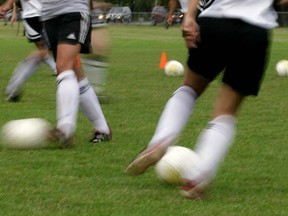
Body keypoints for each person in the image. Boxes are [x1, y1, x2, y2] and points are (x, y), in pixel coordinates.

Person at [126, 0, 288, 199]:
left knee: (190, 89)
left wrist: (190, 17)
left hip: (214, 23)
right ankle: (198, 177)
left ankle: (160, 141)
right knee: (225, 111)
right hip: (253, 31)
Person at [0, 0, 112, 147]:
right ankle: (102, 129)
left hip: (74, 11)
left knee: (63, 67)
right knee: (75, 73)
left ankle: (65, 130)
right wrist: (9, 5)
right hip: (48, 16)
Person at [4, 0, 57, 102]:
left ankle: (14, 85)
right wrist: (8, 6)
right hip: (41, 14)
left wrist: (8, 6)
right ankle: (15, 84)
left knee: (43, 51)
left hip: (33, 16)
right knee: (45, 51)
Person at [81, 0, 112, 103]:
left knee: (100, 51)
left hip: (94, 17)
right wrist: (95, 5)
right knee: (96, 51)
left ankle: (93, 89)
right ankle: (90, 90)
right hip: (84, 15)